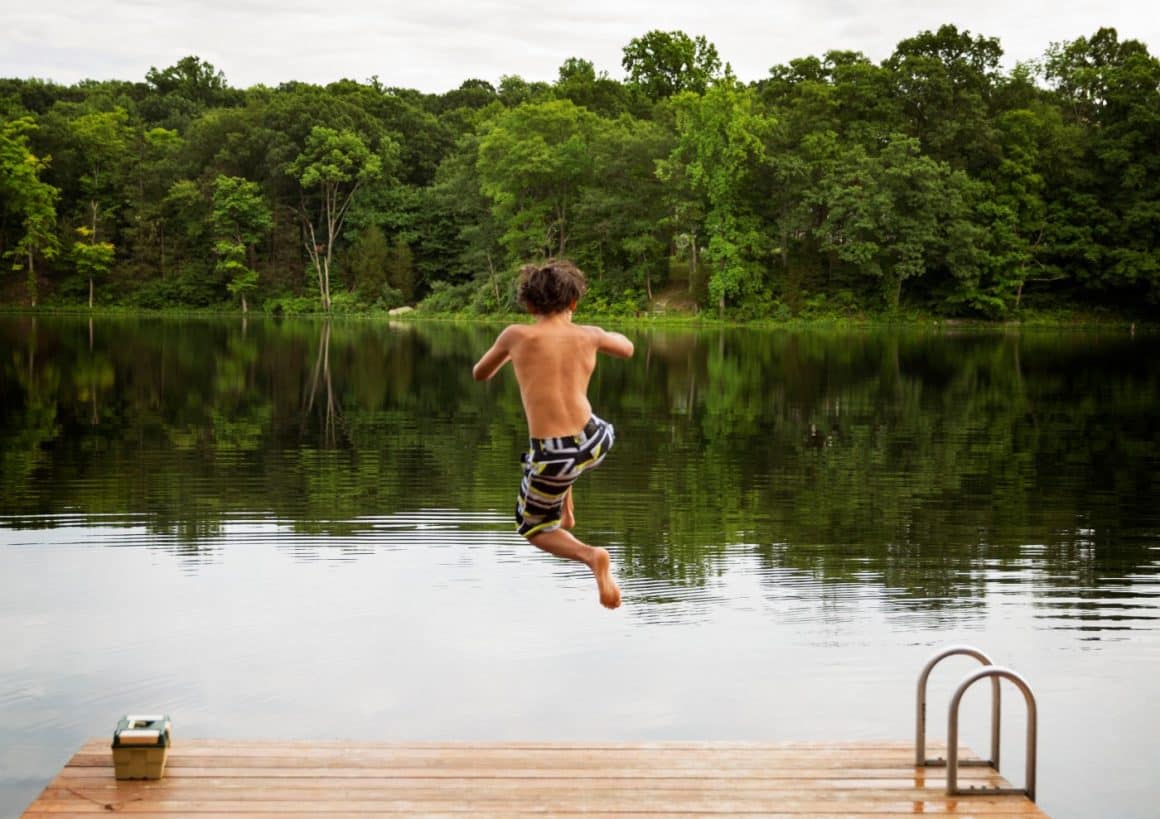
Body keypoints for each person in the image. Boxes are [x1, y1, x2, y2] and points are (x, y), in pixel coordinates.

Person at [473, 259, 634, 609]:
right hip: (596, 440)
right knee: (560, 458)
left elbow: (480, 373)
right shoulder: (589, 335)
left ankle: (592, 556)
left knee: (533, 528)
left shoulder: (516, 336)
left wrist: (510, 356)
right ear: (574, 302)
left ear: (529, 304)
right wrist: (600, 334)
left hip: (554, 456)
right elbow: (627, 348)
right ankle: (566, 511)